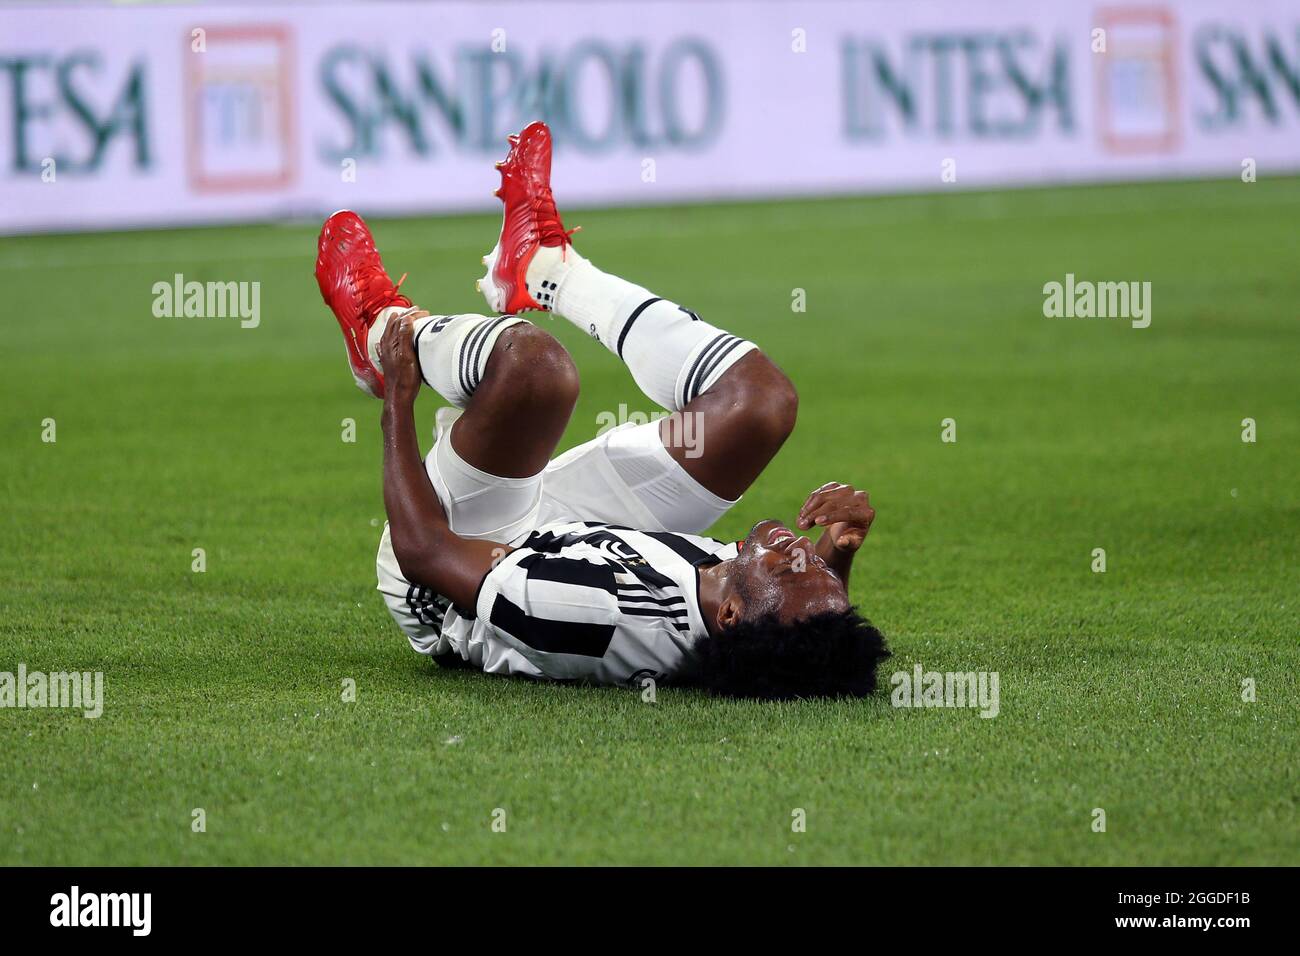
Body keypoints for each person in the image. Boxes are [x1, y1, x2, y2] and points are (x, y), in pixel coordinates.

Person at [314, 121, 888, 699]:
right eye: (814, 570)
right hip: (586, 534)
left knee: (539, 375)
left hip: (459, 555)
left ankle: (381, 334)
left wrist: (399, 400)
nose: (800, 553)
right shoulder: (740, 603)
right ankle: (545, 269)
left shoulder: (589, 612)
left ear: (733, 615)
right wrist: (835, 554)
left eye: (792, 568)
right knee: (762, 406)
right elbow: (802, 630)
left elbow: (424, 551)